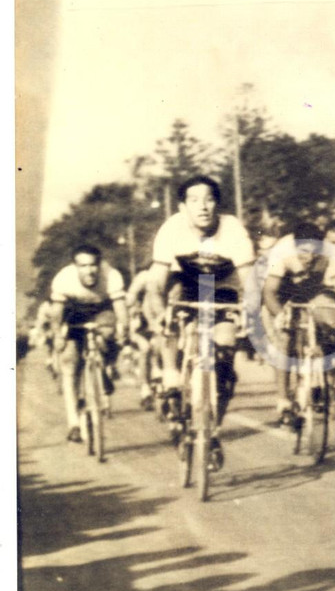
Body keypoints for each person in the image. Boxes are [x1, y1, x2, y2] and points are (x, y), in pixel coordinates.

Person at [146, 175, 256, 464]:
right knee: (169, 308)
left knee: (224, 357)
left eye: (209, 199)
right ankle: (171, 374)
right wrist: (159, 315)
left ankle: (213, 431)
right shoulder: (172, 228)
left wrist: (250, 315)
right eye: (194, 200)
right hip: (185, 283)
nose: (203, 206)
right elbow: (156, 282)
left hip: (222, 287)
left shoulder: (233, 229)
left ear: (217, 204)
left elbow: (249, 282)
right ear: (182, 207)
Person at [262, 221, 335, 427]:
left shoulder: (331, 253)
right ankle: (283, 400)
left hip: (314, 289)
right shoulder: (282, 251)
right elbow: (269, 292)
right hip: (284, 291)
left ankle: (332, 378)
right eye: (304, 253)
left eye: (314, 253)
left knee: (331, 319)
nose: (309, 258)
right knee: (284, 339)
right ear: (295, 247)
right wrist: (280, 315)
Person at [48, 245, 128, 442]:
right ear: (75, 266)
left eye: (93, 265)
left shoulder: (112, 276)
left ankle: (104, 366)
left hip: (102, 310)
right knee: (70, 362)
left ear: (100, 265)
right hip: (74, 312)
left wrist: (123, 330)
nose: (89, 270)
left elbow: (120, 308)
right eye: (83, 265)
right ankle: (74, 423)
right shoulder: (64, 279)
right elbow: (56, 313)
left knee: (109, 333)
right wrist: (58, 335)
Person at [124, 265, 159, 411]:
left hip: (162, 321)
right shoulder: (146, 276)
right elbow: (130, 297)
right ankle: (145, 390)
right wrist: (133, 307)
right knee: (146, 348)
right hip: (142, 326)